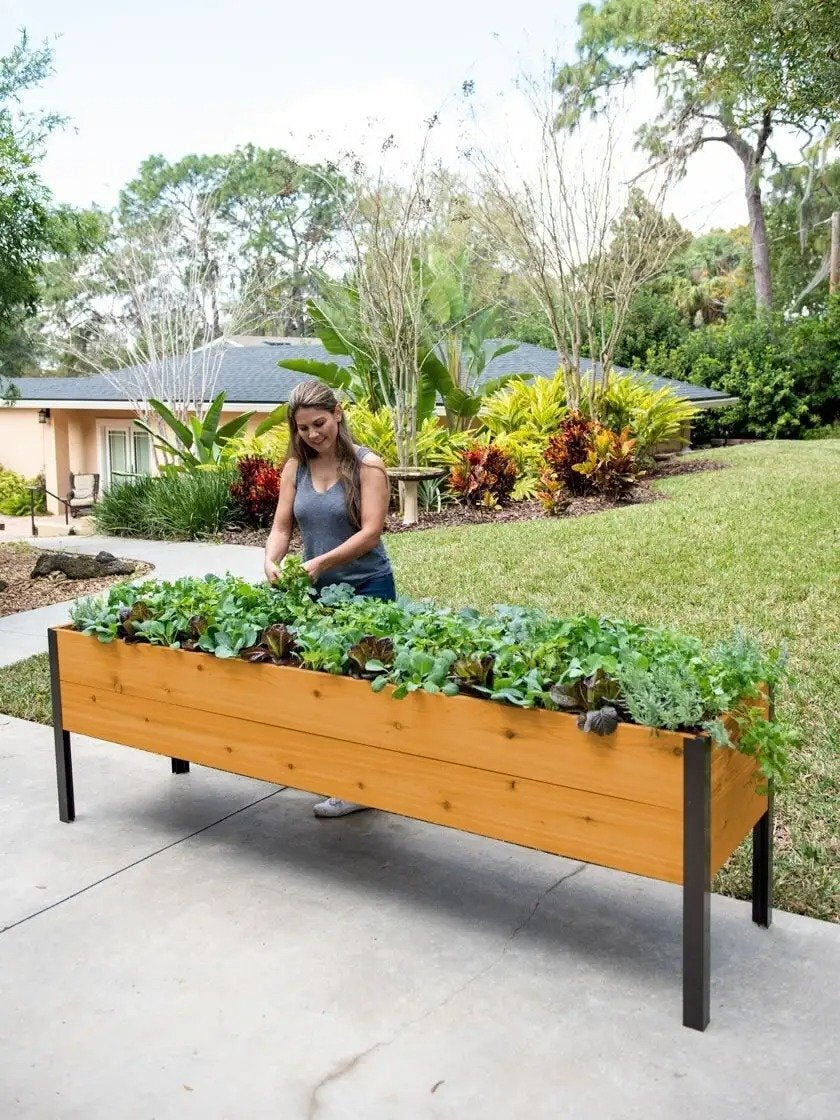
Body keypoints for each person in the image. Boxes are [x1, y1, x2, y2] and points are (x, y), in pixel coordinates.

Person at [263, 379, 396, 818]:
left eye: (319, 423)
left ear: (337, 414)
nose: (312, 434)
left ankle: (362, 786)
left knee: (361, 691)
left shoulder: (367, 466)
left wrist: (319, 563)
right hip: (316, 594)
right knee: (324, 688)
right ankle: (343, 777)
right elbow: (283, 527)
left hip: (366, 587)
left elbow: (371, 532)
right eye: (303, 429)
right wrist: (272, 560)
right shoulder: (295, 469)